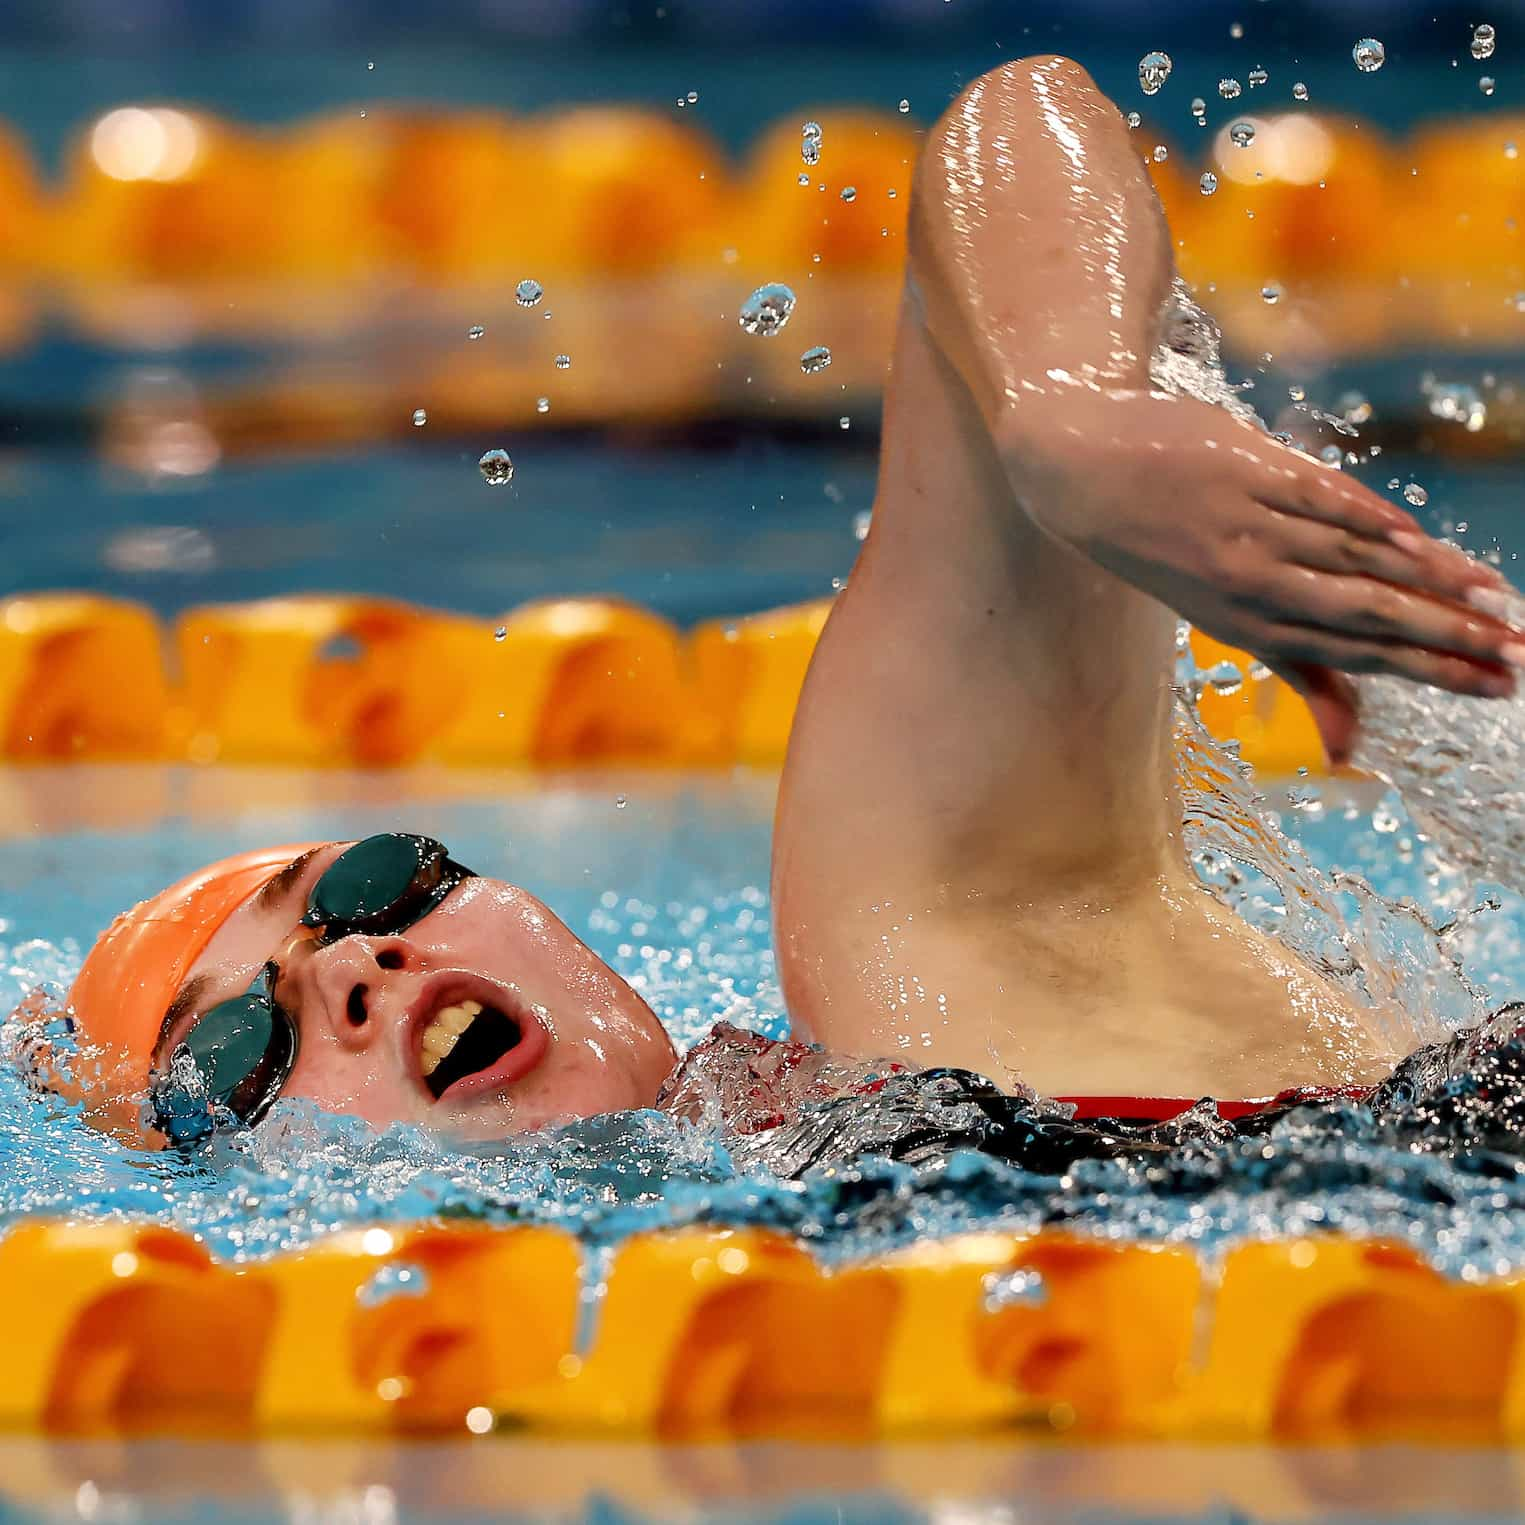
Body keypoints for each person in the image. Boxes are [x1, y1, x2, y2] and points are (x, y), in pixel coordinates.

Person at [47, 56, 1525, 1150]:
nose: (360, 966)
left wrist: (1070, 406)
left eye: (375, 883)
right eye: (238, 1051)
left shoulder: (929, 947)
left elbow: (1017, 122)